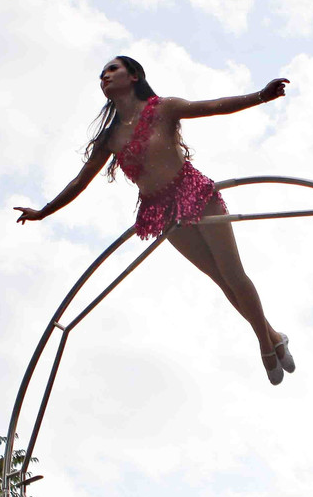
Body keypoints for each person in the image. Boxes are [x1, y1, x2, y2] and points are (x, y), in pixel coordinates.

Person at [15, 56, 294, 385]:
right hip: (162, 210)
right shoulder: (111, 137)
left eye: (113, 69)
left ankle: (264, 343)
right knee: (221, 279)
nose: (105, 76)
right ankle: (274, 336)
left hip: (194, 193)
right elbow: (80, 181)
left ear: (134, 75)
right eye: (102, 74)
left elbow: (214, 106)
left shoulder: (163, 108)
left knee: (233, 273)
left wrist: (261, 96)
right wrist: (43, 211)